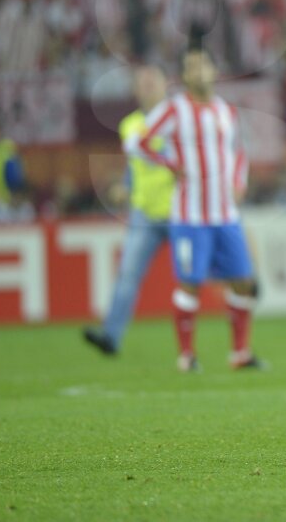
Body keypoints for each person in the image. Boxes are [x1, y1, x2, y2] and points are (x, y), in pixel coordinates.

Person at [135, 43, 264, 372]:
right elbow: (140, 142)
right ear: (184, 75)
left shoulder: (226, 111)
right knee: (190, 284)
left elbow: (238, 152)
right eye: (191, 67)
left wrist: (239, 182)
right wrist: (170, 164)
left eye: (203, 65)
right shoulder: (174, 110)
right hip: (190, 216)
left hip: (226, 214)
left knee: (243, 280)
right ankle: (186, 356)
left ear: (214, 71)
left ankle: (240, 353)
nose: (198, 72)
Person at [83, 65, 175, 355]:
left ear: (165, 84)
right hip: (144, 213)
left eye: (152, 81)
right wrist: (125, 186)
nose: (148, 86)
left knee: (198, 274)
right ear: (135, 90)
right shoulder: (130, 125)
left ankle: (242, 293)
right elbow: (134, 166)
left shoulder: (178, 119)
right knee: (127, 275)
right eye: (142, 82)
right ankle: (111, 337)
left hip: (180, 210)